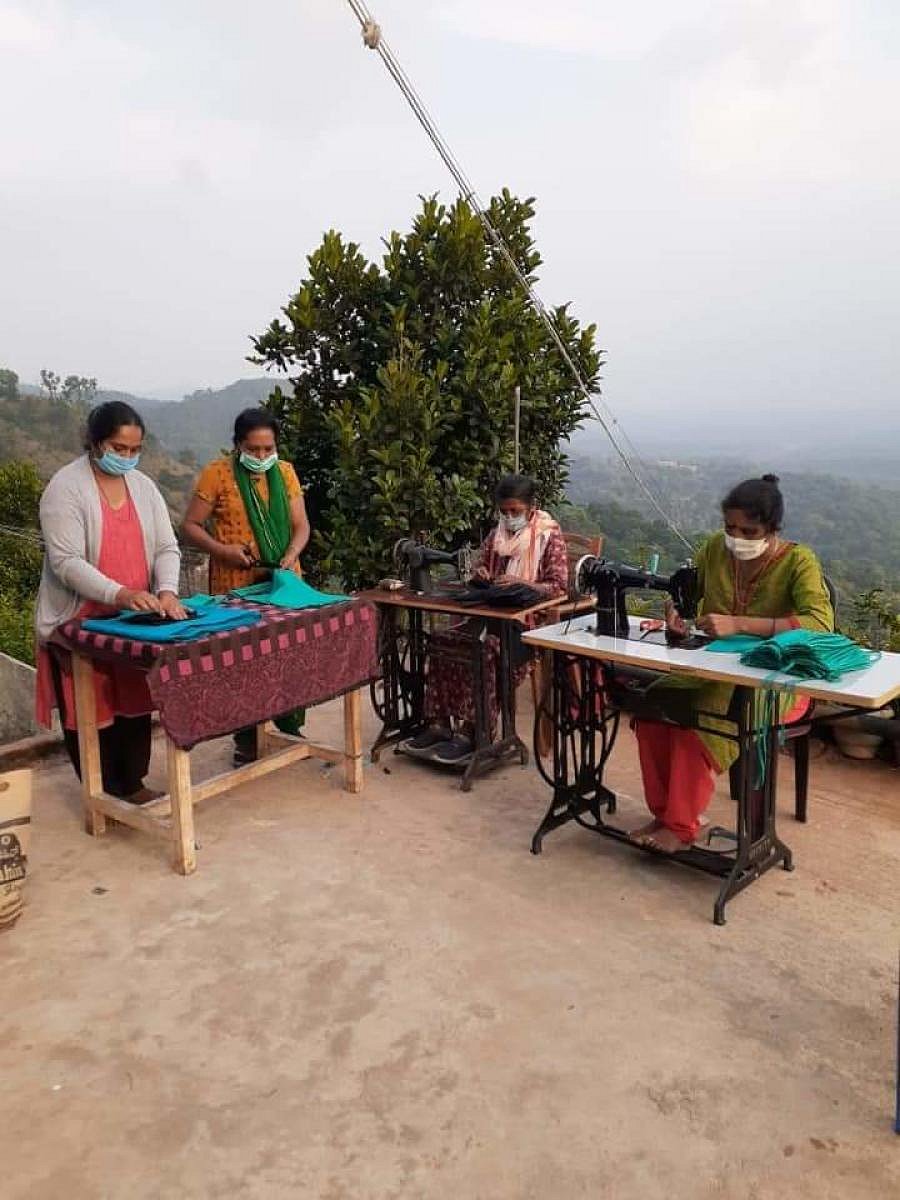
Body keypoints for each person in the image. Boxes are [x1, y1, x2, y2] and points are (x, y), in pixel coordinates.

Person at [630, 474, 834, 853]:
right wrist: (678, 620)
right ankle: (665, 814)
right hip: (715, 667)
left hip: (777, 681)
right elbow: (692, 602)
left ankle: (680, 825)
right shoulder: (713, 551)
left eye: (749, 530)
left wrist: (741, 624)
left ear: (772, 530)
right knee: (652, 707)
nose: (737, 537)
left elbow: (820, 625)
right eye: (730, 528)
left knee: (701, 717)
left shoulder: (798, 562)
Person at [35, 401, 186, 803]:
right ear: (95, 441)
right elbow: (66, 562)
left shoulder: (144, 487)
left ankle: (132, 784)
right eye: (119, 449)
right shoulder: (65, 488)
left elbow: (167, 547)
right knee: (90, 707)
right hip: (81, 620)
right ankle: (101, 794)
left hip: (132, 618)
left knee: (134, 702)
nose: (127, 457)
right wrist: (118, 593)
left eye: (135, 450)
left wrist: (167, 590)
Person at [406, 474, 568, 766]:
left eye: (515, 512)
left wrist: (523, 584)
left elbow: (558, 587)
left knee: (484, 649)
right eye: (504, 512)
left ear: (533, 508)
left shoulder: (549, 535)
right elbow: (480, 564)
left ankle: (473, 732)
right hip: (491, 616)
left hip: (526, 629)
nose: (509, 517)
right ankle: (439, 725)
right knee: (445, 641)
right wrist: (481, 573)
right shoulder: (498, 535)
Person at [182, 407, 310, 763]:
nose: (262, 457)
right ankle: (248, 740)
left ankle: (288, 729)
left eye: (268, 449)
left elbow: (302, 526)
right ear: (238, 445)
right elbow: (190, 526)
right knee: (244, 660)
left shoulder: (284, 474)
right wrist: (223, 551)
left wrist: (290, 555)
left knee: (287, 653)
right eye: (254, 449)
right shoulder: (217, 474)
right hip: (235, 582)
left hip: (284, 582)